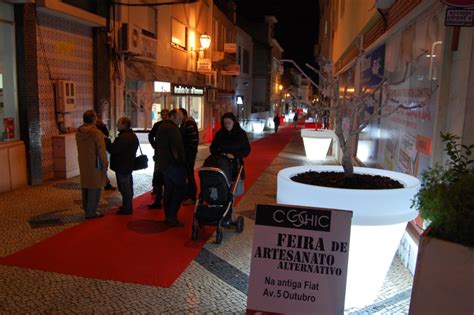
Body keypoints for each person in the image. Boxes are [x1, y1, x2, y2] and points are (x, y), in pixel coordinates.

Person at [210, 112, 251, 226]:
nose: (227, 125)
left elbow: (247, 150)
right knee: (221, 188)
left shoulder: (240, 134)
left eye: (229, 122)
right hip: (222, 165)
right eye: (225, 123)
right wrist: (220, 154)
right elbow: (213, 148)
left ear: (234, 122)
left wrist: (235, 155)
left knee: (231, 191)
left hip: (235, 165)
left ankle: (228, 213)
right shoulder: (220, 134)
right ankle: (219, 212)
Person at [156, 109, 186, 227]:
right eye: (179, 119)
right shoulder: (172, 128)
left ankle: (168, 215)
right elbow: (176, 148)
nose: (180, 122)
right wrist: (181, 162)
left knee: (169, 190)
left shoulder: (162, 126)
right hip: (173, 165)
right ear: (172, 117)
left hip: (164, 164)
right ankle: (172, 216)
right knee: (180, 189)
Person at [76, 110, 107, 219]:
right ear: (93, 119)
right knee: (95, 187)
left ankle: (86, 209)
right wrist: (105, 164)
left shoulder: (79, 132)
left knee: (85, 186)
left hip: (83, 163)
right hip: (95, 164)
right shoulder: (96, 133)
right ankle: (91, 212)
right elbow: (101, 151)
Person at [107, 116, 139, 215]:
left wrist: (107, 142)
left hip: (122, 166)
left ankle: (127, 209)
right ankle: (127, 206)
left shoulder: (123, 137)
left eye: (118, 123)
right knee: (128, 186)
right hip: (128, 165)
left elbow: (113, 149)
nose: (117, 125)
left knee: (125, 188)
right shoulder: (131, 135)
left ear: (124, 125)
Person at [147, 108, 169, 209]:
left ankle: (165, 197)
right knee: (158, 175)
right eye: (163, 114)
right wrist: (155, 145)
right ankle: (158, 196)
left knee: (165, 175)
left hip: (167, 155)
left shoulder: (170, 126)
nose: (164, 116)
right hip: (159, 153)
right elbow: (151, 136)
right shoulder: (158, 125)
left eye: (166, 114)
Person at [180, 108, 199, 205]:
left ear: (183, 115)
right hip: (187, 154)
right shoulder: (185, 124)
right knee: (186, 174)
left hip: (189, 155)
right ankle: (188, 194)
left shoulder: (189, 124)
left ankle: (192, 196)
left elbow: (193, 141)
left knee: (190, 175)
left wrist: (188, 153)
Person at [96, 115, 116, 191]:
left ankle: (106, 183)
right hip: (101, 149)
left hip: (100, 149)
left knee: (102, 168)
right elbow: (106, 134)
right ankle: (105, 184)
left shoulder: (97, 127)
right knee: (102, 167)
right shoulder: (96, 129)